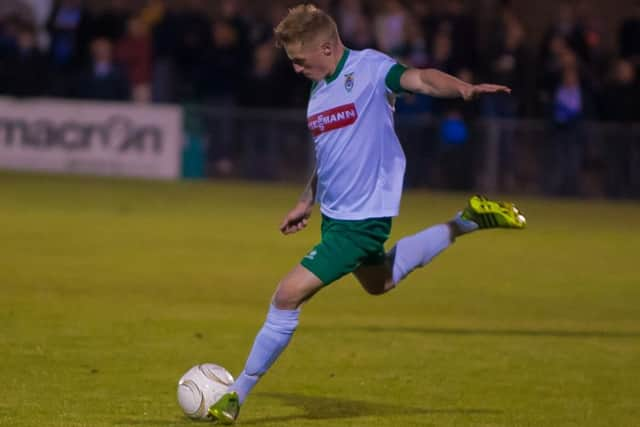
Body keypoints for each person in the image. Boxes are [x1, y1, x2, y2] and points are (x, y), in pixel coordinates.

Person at [208, 4, 526, 424]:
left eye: (300, 61)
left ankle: (234, 396)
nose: (297, 69)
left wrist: (462, 89)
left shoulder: (372, 69)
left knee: (286, 296)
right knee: (382, 281)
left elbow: (421, 79)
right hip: (336, 217)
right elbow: (329, 156)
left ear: (326, 46)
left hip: (363, 222)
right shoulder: (319, 91)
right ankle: (468, 219)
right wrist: (307, 199)